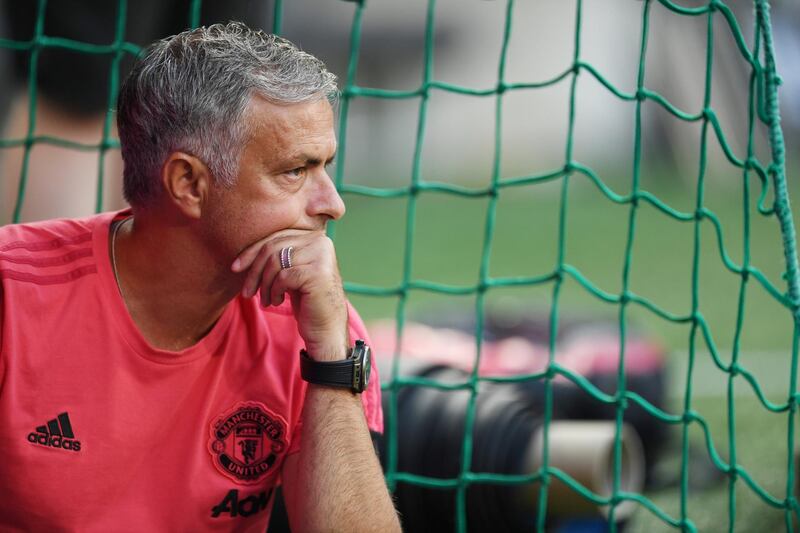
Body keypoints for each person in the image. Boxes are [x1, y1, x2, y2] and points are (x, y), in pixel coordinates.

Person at [0, 22, 401, 532]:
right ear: (188, 183)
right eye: (295, 171)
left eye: (326, 167)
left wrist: (330, 357)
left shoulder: (316, 328)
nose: (333, 204)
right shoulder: (12, 298)